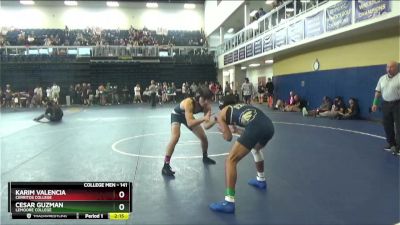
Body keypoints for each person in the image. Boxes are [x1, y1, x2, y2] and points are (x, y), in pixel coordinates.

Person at [209, 95, 274, 213]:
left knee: (230, 160)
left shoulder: (221, 113)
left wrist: (223, 130)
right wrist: (237, 131)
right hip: (269, 127)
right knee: (256, 149)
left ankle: (229, 202)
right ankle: (261, 180)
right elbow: (254, 128)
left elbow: (228, 137)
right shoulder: (243, 106)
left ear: (222, 106)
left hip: (256, 127)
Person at [162, 86, 217, 176]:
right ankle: (165, 165)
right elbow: (190, 123)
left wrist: (215, 119)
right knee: (175, 137)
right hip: (177, 115)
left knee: (203, 137)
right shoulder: (189, 102)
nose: (207, 102)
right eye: (204, 99)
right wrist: (204, 118)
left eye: (209, 99)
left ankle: (205, 157)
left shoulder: (207, 107)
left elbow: (206, 126)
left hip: (188, 116)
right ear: (198, 97)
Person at [371, 60, 400, 155]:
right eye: (387, 67)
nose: (389, 69)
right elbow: (378, 92)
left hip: (398, 104)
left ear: (396, 67)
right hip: (386, 104)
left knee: (399, 126)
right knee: (387, 125)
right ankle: (392, 144)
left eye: (391, 67)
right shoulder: (382, 78)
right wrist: (375, 103)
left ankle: (399, 146)